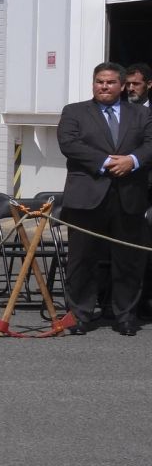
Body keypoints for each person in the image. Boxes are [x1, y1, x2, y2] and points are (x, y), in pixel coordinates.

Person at [57, 61, 150, 335]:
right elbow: (69, 144)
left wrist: (132, 161)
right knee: (82, 259)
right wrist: (108, 162)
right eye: (99, 81)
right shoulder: (74, 111)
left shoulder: (141, 115)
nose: (104, 86)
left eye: (110, 82)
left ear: (122, 86)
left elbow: (150, 143)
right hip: (87, 197)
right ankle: (80, 315)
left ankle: (125, 316)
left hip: (128, 197)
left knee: (128, 259)